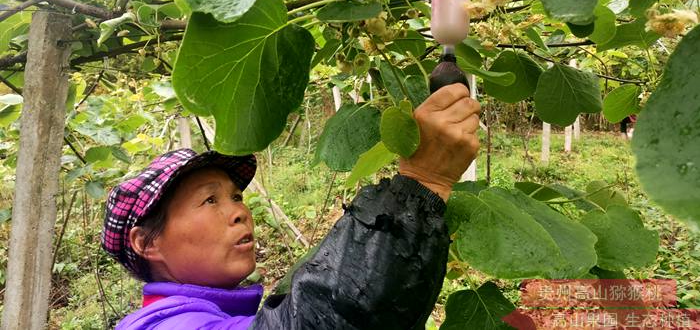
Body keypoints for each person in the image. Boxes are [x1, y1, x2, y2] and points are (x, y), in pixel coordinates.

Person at [101, 84, 481, 329]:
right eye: (209, 199)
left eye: (235, 196)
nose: (238, 211)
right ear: (147, 243)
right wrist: (423, 182)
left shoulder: (222, 317)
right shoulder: (165, 326)